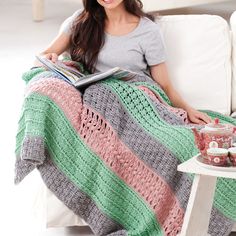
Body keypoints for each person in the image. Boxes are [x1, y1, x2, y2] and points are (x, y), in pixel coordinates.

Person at [36, 0, 212, 125]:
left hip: (135, 97)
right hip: (94, 99)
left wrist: (188, 109)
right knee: (43, 84)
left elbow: (164, 85)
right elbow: (44, 54)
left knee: (103, 93)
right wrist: (48, 58)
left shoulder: (148, 31)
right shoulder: (81, 21)